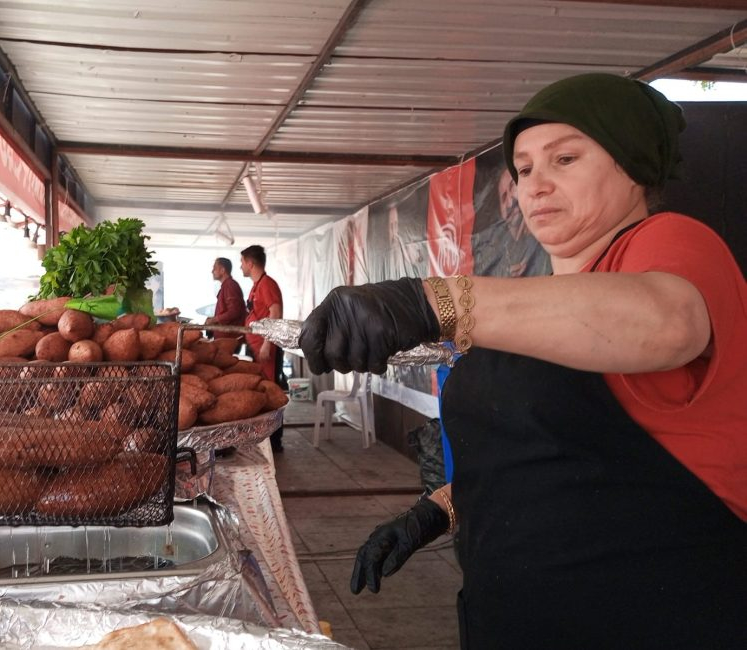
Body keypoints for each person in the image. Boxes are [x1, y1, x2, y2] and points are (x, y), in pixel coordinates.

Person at [298, 73, 747, 648]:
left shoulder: (671, 244)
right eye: (526, 168)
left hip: (652, 617)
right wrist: (435, 512)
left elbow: (667, 320)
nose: (536, 185)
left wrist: (427, 301)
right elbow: (554, 459)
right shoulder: (534, 300)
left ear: (632, 165)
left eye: (565, 159)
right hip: (509, 614)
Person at [240, 245, 286, 452]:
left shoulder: (267, 285)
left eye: (242, 262)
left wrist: (267, 342)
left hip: (266, 350)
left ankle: (275, 441)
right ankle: (263, 437)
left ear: (250, 263)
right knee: (260, 391)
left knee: (270, 393)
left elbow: (275, 313)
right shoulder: (255, 286)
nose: (241, 266)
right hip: (256, 347)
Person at [205, 257, 245, 348]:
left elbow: (234, 312)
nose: (212, 271)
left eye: (214, 268)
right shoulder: (226, 285)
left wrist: (214, 320)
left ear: (222, 270)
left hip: (229, 338)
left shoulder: (230, 285)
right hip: (224, 337)